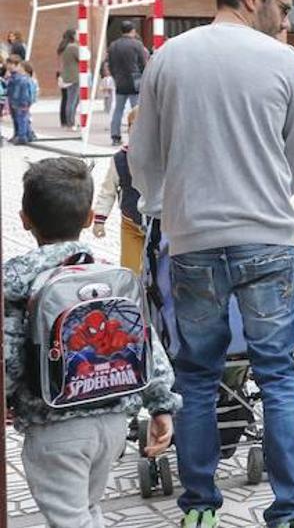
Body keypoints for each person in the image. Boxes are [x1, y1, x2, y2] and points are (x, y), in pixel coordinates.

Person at [129, 0, 294, 528]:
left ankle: (201, 506)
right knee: (278, 374)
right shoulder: (285, 63)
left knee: (198, 376)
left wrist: (165, 208)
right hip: (268, 238)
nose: (287, 22)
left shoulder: (168, 59)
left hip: (193, 244)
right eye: (284, 8)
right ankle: (288, 511)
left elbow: (142, 159)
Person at [3, 157, 179, 528]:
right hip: (113, 423)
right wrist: (161, 405)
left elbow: (9, 356)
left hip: (55, 427)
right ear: (88, 219)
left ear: (24, 219)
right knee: (88, 510)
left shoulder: (17, 282)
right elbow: (146, 345)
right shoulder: (113, 278)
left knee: (70, 520)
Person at [93, 107, 147, 273]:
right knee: (130, 268)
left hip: (161, 223)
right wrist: (100, 219)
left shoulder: (164, 155)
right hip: (130, 223)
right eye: (134, 126)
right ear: (128, 129)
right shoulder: (119, 159)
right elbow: (108, 191)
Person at [107, 20, 149, 146]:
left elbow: (110, 63)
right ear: (133, 31)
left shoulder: (113, 45)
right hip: (135, 80)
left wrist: (115, 76)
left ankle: (115, 136)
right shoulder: (137, 44)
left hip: (120, 80)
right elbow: (143, 63)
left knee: (118, 110)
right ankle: (138, 136)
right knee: (136, 110)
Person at [6, 58, 36, 144]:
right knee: (22, 119)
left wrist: (25, 102)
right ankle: (27, 135)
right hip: (17, 101)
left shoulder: (22, 79)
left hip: (20, 102)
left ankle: (22, 136)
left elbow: (25, 93)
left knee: (21, 119)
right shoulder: (17, 78)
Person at [57, 28, 80, 130]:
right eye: (77, 34)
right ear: (73, 36)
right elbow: (82, 58)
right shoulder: (73, 47)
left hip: (65, 75)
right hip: (74, 76)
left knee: (67, 99)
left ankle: (66, 122)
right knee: (72, 100)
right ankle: (71, 123)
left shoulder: (63, 47)